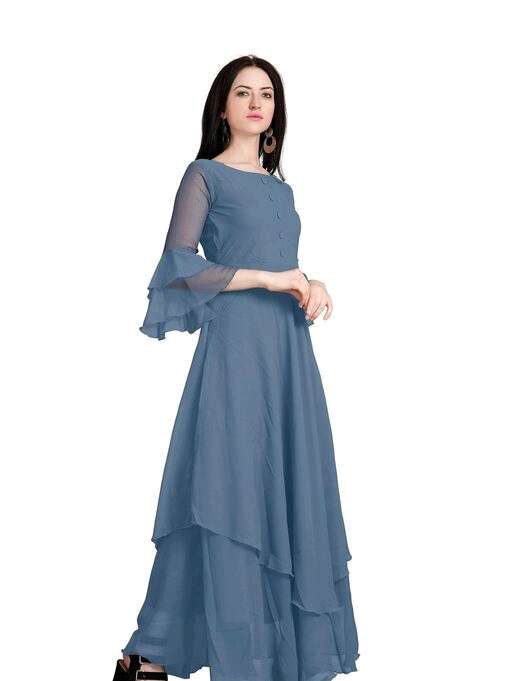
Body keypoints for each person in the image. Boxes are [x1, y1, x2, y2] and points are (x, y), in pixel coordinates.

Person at [112, 54, 360, 681]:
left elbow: (280, 260)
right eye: (243, 93)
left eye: (266, 94)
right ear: (222, 107)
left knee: (281, 489)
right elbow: (179, 265)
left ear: (276, 109)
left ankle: (162, 656)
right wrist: (270, 279)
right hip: (235, 354)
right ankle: (169, 650)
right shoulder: (204, 175)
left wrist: (307, 281)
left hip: (288, 354)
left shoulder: (281, 188)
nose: (256, 103)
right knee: (227, 494)